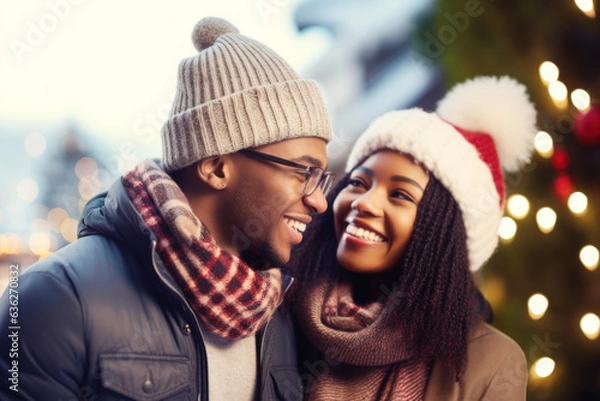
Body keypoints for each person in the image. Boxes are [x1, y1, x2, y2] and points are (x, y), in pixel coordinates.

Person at [0, 17, 334, 401]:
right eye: (304, 172)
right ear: (217, 167)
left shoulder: (282, 312)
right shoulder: (55, 299)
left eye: (321, 178)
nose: (319, 200)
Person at [288, 76, 535, 400]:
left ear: (446, 234)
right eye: (359, 182)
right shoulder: (283, 302)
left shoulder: (492, 361)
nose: (364, 202)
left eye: (401, 195)